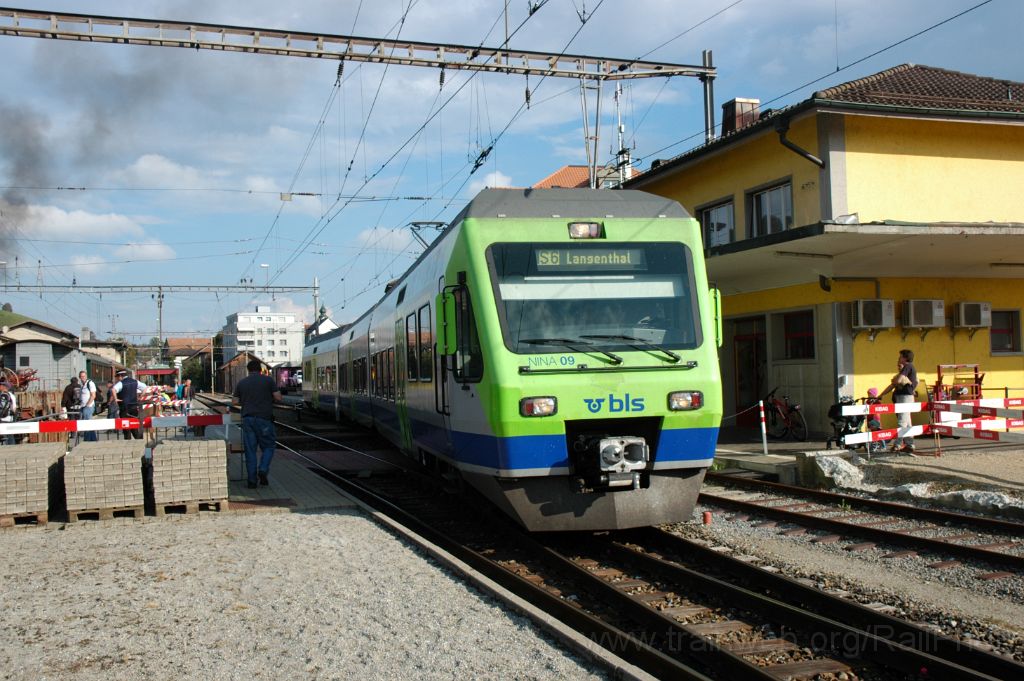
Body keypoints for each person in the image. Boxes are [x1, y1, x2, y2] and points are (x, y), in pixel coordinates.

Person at [232, 358, 283, 489]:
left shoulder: (242, 383)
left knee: (250, 451)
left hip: (248, 420)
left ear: (248, 370)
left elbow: (234, 401)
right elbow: (278, 398)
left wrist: (246, 401)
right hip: (264, 419)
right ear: (260, 369)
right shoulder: (268, 380)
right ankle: (263, 469)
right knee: (269, 446)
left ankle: (252, 481)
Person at [878, 348, 918, 455]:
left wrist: (896, 380)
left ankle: (898, 444)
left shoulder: (908, 367)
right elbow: (893, 384)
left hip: (905, 397)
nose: (899, 358)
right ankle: (909, 444)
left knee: (902, 421)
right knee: (907, 422)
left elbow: (898, 381)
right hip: (902, 397)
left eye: (900, 356)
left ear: (905, 358)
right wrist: (881, 395)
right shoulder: (906, 369)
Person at [112, 369, 144, 440]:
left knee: (126, 428)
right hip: (134, 408)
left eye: (117, 377)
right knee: (134, 426)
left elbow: (113, 389)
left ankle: (128, 442)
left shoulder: (121, 383)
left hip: (124, 408)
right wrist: (141, 396)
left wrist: (116, 399)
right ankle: (139, 442)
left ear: (120, 376)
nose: (117, 378)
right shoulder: (135, 381)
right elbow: (145, 387)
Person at [77, 370, 98, 442]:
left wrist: (87, 405)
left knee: (87, 423)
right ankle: (93, 439)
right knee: (89, 423)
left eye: (84, 376)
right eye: (81, 376)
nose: (82, 377)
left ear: (86, 376)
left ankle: (87, 440)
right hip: (83, 406)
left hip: (88, 407)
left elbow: (93, 395)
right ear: (79, 377)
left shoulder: (90, 383)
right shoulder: (83, 385)